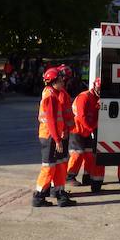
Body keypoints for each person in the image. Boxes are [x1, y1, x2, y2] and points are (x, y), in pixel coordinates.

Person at [32, 67, 75, 207]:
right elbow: (51, 121)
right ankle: (38, 196)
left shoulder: (54, 93)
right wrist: (57, 140)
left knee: (60, 165)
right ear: (53, 81)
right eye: (60, 79)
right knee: (49, 167)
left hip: (55, 136)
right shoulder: (50, 96)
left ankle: (60, 194)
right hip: (50, 137)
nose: (63, 81)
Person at [66, 77, 100, 186]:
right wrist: (92, 128)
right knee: (77, 154)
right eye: (99, 89)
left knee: (89, 154)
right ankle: (69, 176)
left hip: (86, 131)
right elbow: (82, 116)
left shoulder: (96, 99)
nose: (100, 91)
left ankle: (87, 177)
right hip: (77, 130)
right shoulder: (84, 97)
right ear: (94, 86)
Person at [49, 65, 76, 199]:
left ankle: (58, 188)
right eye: (64, 79)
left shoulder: (62, 93)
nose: (65, 81)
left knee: (62, 161)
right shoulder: (59, 94)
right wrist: (64, 131)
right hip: (62, 133)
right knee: (59, 162)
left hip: (64, 132)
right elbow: (59, 117)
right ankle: (56, 189)